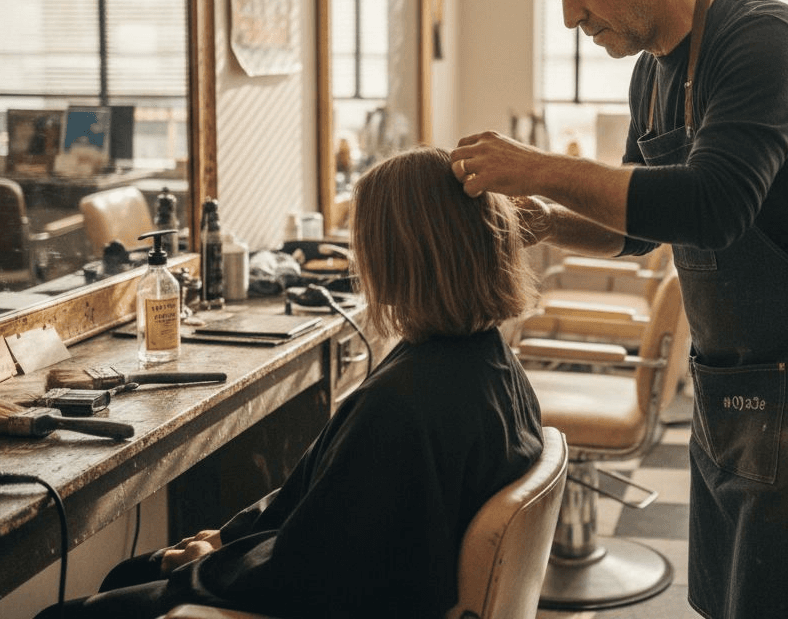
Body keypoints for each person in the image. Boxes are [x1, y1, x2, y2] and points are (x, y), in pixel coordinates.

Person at [449, 0, 788, 619]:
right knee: (730, 598)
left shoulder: (764, 45)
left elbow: (715, 204)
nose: (570, 16)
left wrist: (539, 167)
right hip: (735, 375)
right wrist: (550, 222)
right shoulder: (653, 76)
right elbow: (652, 225)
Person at [35, 146, 544, 619]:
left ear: (398, 254)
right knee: (129, 574)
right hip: (341, 576)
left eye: (363, 241)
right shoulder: (489, 361)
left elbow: (310, 575)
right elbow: (321, 500)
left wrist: (203, 565)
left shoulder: (400, 407)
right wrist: (227, 541)